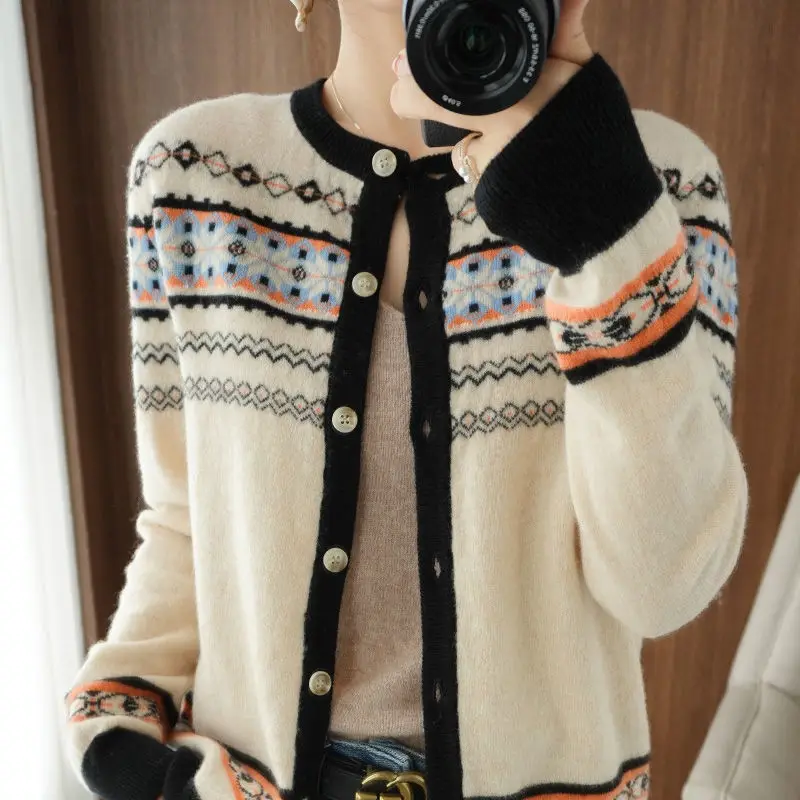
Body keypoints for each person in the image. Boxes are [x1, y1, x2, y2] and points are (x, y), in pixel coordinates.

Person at [63, 1, 749, 799]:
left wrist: (605, 230)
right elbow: (188, 516)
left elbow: (664, 587)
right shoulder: (192, 178)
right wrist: (120, 720)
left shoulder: (657, 181)